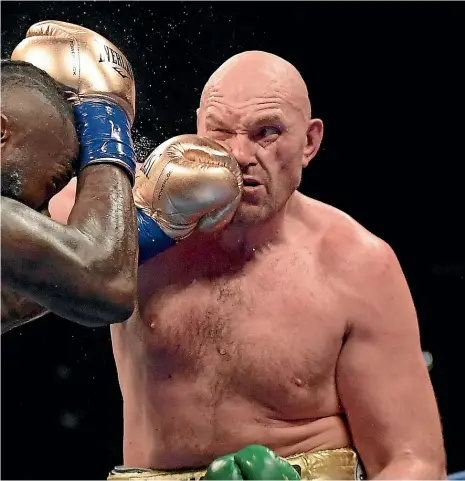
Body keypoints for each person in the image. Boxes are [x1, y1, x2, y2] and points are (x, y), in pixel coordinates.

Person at [50, 51, 446, 480]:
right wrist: (100, 123)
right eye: (219, 131)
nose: (239, 153)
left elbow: (412, 461)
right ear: (198, 125)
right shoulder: (130, 218)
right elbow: (37, 240)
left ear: (309, 143)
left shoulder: (356, 265)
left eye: (267, 133)